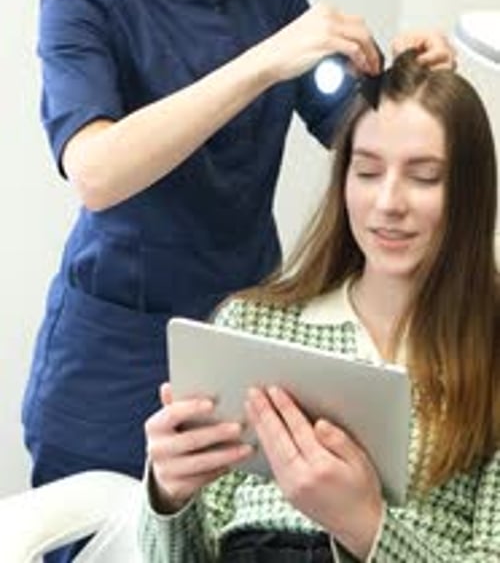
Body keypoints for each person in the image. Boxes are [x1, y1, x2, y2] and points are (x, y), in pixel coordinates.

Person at [22, 0, 455, 557]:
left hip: (241, 342)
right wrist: (265, 61)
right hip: (113, 362)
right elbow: (98, 170)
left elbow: (353, 132)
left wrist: (412, 82)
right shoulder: (82, 5)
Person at [140, 49, 499, 563]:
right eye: (368, 172)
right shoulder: (254, 325)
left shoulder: (490, 352)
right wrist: (168, 494)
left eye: (424, 177)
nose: (388, 202)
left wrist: (366, 525)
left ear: (470, 190)